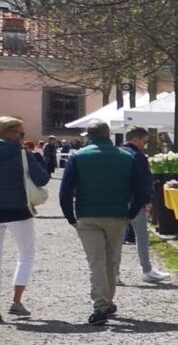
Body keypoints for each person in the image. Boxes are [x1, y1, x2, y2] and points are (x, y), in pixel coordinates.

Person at [59, 121, 147, 325]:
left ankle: (100, 305)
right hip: (117, 214)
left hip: (87, 214)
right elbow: (141, 190)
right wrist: (130, 214)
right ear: (108, 134)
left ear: (88, 135)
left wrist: (70, 216)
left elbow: (65, 191)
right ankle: (107, 301)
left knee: (96, 261)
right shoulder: (127, 157)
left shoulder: (78, 157)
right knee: (111, 259)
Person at [0, 116, 51, 321]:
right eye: (21, 134)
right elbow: (42, 178)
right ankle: (17, 301)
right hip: (19, 209)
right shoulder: (23, 154)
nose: (24, 137)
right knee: (26, 255)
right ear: (10, 134)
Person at [120, 127, 171, 284]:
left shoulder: (117, 153)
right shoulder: (138, 156)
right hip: (136, 201)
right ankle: (146, 270)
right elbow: (145, 180)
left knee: (116, 239)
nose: (145, 144)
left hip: (118, 201)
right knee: (141, 235)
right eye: (144, 141)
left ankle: (114, 273)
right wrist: (147, 200)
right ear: (135, 140)